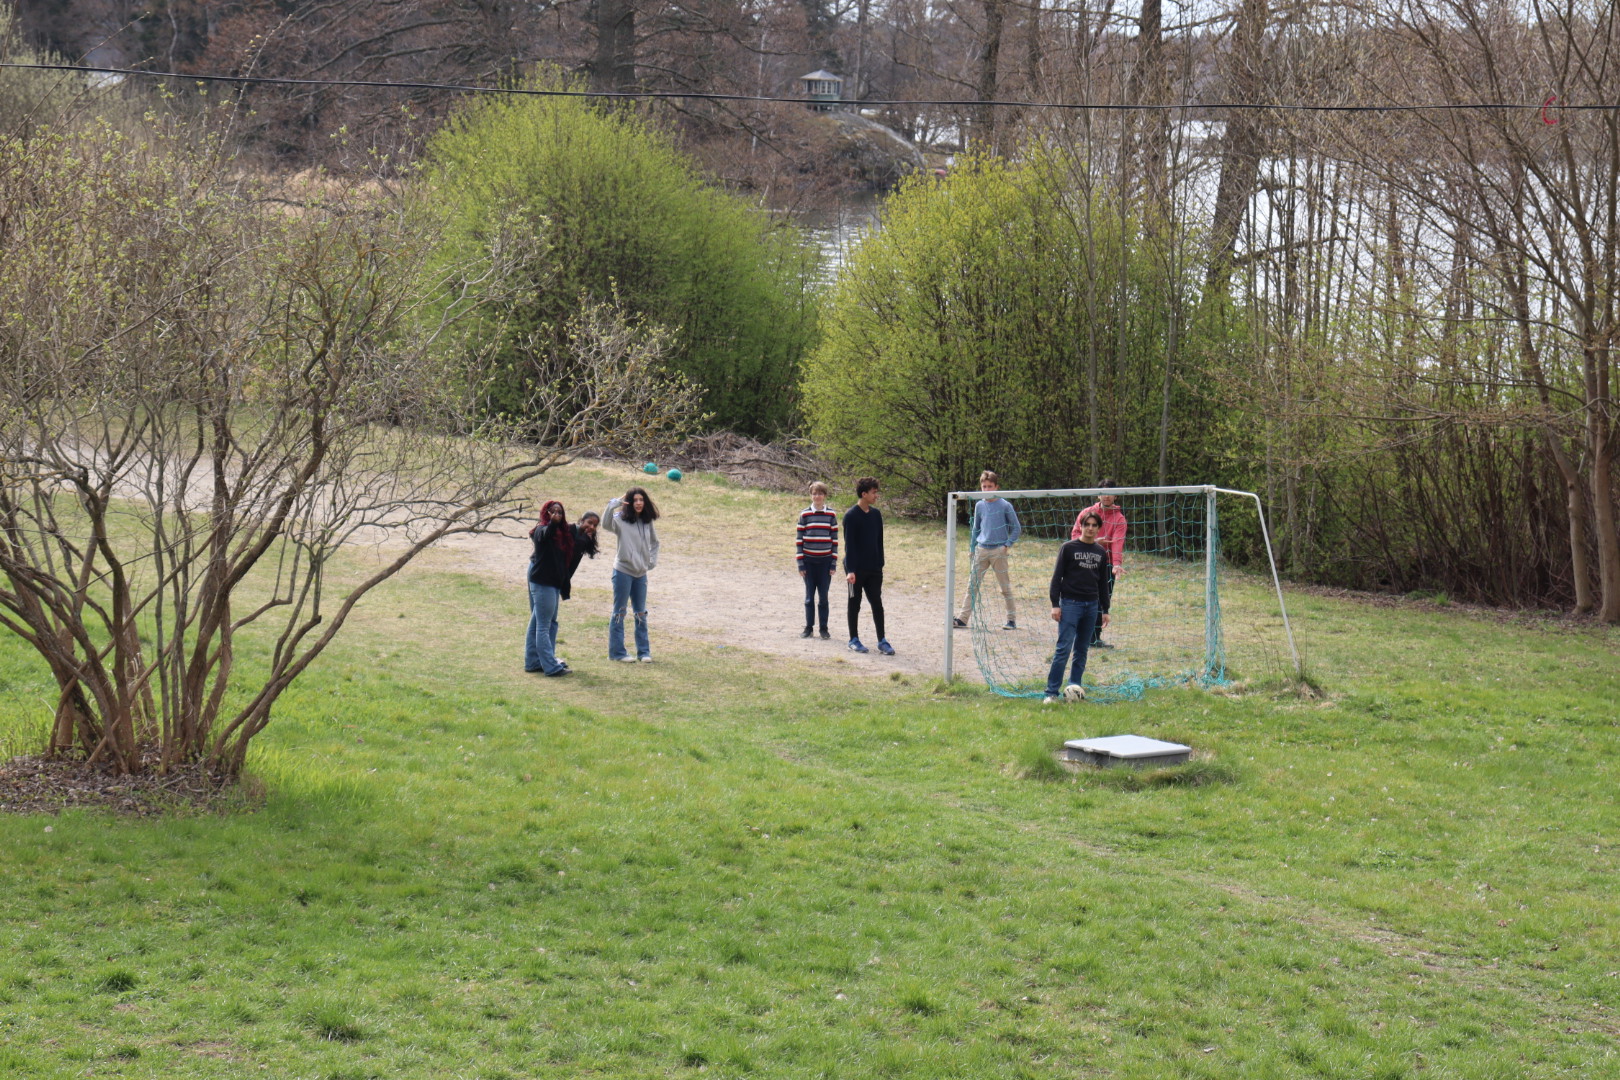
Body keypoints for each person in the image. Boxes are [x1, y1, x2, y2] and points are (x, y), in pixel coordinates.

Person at [1044, 510, 1113, 704]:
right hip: (1070, 605)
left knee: (1082, 650)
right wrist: (1055, 605)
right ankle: (1051, 692)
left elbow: (1103, 584)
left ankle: (1074, 689)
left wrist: (1105, 609)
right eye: (1087, 525)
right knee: (1063, 649)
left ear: (1099, 528)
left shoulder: (1100, 552)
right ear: (1080, 526)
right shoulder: (1068, 548)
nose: (1090, 528)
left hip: (1091, 607)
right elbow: (1057, 578)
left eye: (1094, 525)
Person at [525, 500, 596, 677]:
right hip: (543, 579)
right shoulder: (543, 529)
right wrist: (552, 523)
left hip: (553, 580)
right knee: (544, 624)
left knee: (541, 621)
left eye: (560, 512)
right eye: (553, 512)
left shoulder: (568, 534)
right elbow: (544, 534)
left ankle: (534, 661)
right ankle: (550, 665)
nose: (557, 515)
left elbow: (568, 562)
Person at [952, 470, 1022, 631]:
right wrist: (972, 547)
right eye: (984, 486)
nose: (987, 489)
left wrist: (1007, 544)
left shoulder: (1005, 505)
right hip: (981, 549)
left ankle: (1011, 620)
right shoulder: (979, 505)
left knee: (1005, 587)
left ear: (996, 487)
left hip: (999, 551)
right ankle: (963, 619)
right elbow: (976, 528)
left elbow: (1016, 528)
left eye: (990, 486)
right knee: (972, 586)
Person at [603, 487, 660, 663]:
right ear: (629, 502)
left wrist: (650, 562)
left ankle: (644, 652)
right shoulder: (620, 519)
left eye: (641, 500)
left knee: (640, 613)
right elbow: (605, 524)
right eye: (635, 500)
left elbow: (655, 543)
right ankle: (617, 653)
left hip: (640, 573)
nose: (638, 503)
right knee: (620, 612)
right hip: (623, 571)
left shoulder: (647, 521)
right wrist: (611, 506)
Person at [1071, 478, 1127, 648]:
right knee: (1082, 597)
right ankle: (1078, 633)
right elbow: (1074, 535)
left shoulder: (1119, 519)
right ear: (1098, 495)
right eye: (1103, 492)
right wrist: (1093, 542)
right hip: (1084, 560)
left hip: (1106, 564)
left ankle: (1094, 637)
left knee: (1102, 600)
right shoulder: (1087, 513)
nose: (1106, 496)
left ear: (1116, 496)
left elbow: (1118, 542)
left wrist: (1116, 564)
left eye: (1110, 493)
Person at [842, 476, 893, 655]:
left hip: (874, 568)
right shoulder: (850, 516)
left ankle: (882, 640)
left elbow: (879, 541)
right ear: (864, 494)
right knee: (854, 603)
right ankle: (853, 639)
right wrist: (851, 570)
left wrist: (880, 564)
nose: (876, 495)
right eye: (873, 492)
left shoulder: (876, 514)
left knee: (877, 603)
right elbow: (849, 545)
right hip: (855, 570)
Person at [796, 481, 839, 640]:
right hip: (808, 562)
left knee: (823, 597)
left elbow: (834, 540)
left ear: (825, 496)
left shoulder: (831, 515)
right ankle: (808, 627)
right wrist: (800, 563)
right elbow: (799, 540)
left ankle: (824, 628)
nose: (817, 496)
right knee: (809, 597)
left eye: (820, 493)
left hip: (825, 562)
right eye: (814, 493)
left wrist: (833, 562)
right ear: (811, 495)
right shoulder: (805, 514)